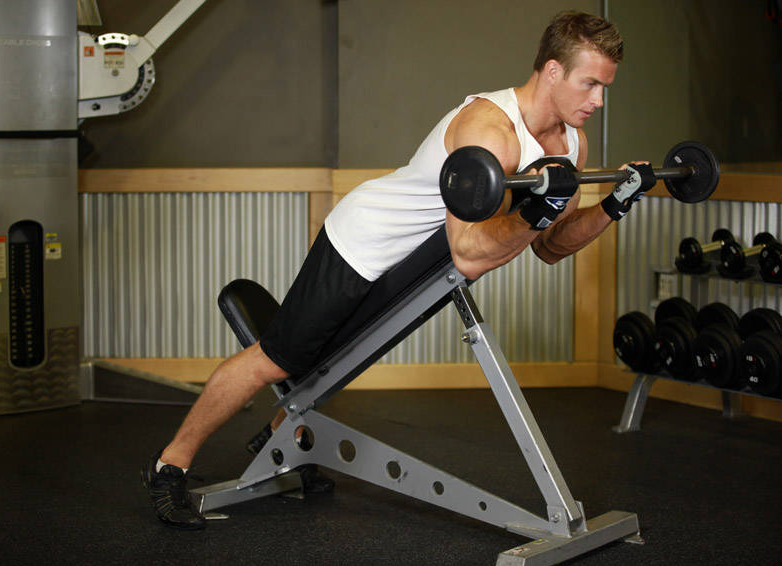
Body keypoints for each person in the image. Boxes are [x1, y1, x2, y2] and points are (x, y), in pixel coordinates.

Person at [141, 10, 654, 530]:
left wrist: (614, 204)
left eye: (604, 87)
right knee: (280, 358)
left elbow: (549, 246)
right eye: (590, 84)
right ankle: (170, 466)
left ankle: (281, 436)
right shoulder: (489, 129)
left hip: (414, 262)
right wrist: (536, 211)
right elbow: (469, 251)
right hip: (363, 242)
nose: (598, 101)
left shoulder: (571, 146)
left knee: (343, 360)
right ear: (552, 71)